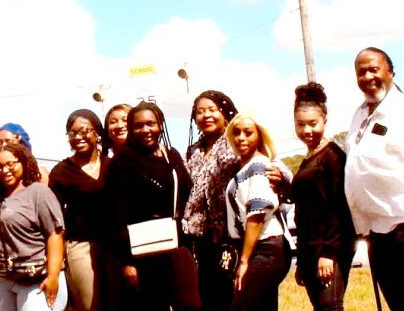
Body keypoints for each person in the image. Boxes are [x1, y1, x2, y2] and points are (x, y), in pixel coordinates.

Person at [344, 47, 404, 310]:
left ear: (391, 72)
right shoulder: (359, 115)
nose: (368, 77)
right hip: (379, 236)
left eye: (374, 69)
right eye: (361, 72)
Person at [105, 102, 198, 311]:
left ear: (160, 125)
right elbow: (115, 216)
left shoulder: (171, 155)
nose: (146, 130)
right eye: (138, 126)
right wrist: (127, 263)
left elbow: (187, 192)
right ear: (131, 129)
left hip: (176, 244)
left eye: (151, 124)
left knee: (190, 304)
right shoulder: (121, 163)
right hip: (142, 254)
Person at [291, 82, 355, 311]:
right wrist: (301, 259)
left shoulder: (333, 157)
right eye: (300, 125)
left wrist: (329, 253)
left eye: (312, 124)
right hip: (309, 249)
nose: (307, 130)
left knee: (331, 307)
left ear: (324, 121)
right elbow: (303, 211)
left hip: (330, 249)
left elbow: (341, 208)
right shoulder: (309, 158)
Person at [0, 142, 67, 311]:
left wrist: (53, 276)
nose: (5, 170)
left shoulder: (38, 192)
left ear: (23, 162)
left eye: (10, 164)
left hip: (35, 277)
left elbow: (55, 234)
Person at [224, 114, 290, 311]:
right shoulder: (244, 167)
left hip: (265, 248)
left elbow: (257, 215)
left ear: (259, 136)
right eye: (236, 133)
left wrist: (244, 261)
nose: (241, 138)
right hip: (259, 248)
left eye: (248, 132)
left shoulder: (259, 166)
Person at [182, 90, 240, 311]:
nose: (206, 116)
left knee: (231, 299)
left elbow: (266, 159)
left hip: (231, 235)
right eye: (200, 112)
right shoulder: (193, 151)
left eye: (212, 110)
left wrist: (280, 176)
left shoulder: (237, 139)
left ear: (225, 113)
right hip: (200, 240)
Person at [48, 110, 108, 311]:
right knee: (90, 304)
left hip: (113, 246)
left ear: (96, 133)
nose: (78, 137)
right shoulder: (60, 172)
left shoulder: (112, 164)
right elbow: (55, 219)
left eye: (84, 131)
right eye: (72, 133)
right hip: (80, 247)